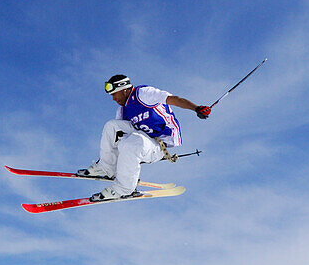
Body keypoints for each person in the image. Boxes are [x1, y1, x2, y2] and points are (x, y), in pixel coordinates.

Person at [78, 74, 210, 201]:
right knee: (112, 126)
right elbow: (118, 142)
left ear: (124, 90)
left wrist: (196, 108)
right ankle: (107, 167)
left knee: (133, 143)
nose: (113, 98)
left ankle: (124, 189)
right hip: (141, 141)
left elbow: (174, 99)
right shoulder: (123, 111)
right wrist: (124, 166)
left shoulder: (143, 94)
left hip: (160, 144)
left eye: (114, 94)